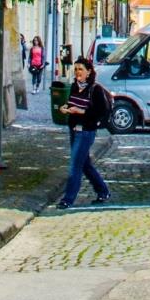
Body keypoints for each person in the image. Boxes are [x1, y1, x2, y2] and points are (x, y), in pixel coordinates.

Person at [57, 59, 112, 208]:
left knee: (75, 165)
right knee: (85, 164)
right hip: (74, 130)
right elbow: (71, 103)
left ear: (88, 72)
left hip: (86, 131)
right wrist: (65, 107)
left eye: (80, 69)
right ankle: (103, 191)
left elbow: (101, 111)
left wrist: (81, 111)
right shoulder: (75, 87)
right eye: (75, 69)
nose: (77, 72)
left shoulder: (96, 89)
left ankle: (67, 200)